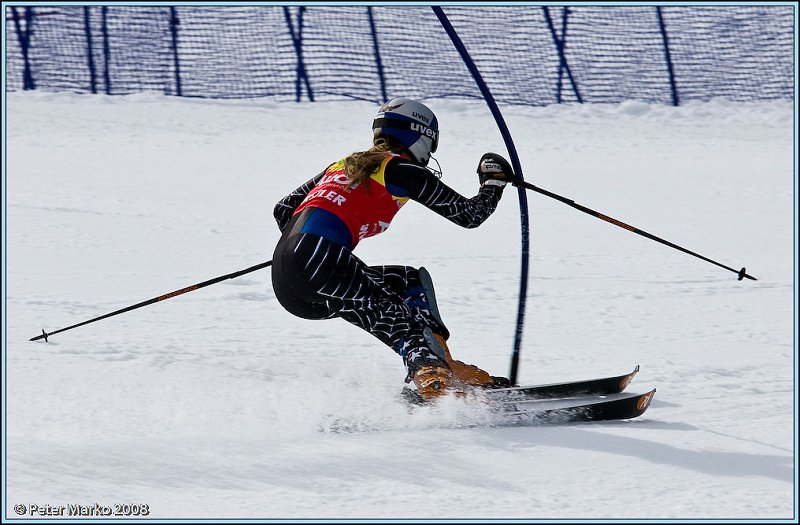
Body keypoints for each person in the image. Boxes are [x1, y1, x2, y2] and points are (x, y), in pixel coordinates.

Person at [271, 97, 518, 400]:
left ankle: (441, 367)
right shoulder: (401, 170)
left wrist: (305, 244)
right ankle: (428, 373)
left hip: (288, 279)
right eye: (430, 144)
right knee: (405, 325)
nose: (428, 153)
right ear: (418, 135)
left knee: (408, 282)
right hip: (323, 261)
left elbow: (284, 209)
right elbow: (468, 215)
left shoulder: (343, 165)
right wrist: (492, 184)